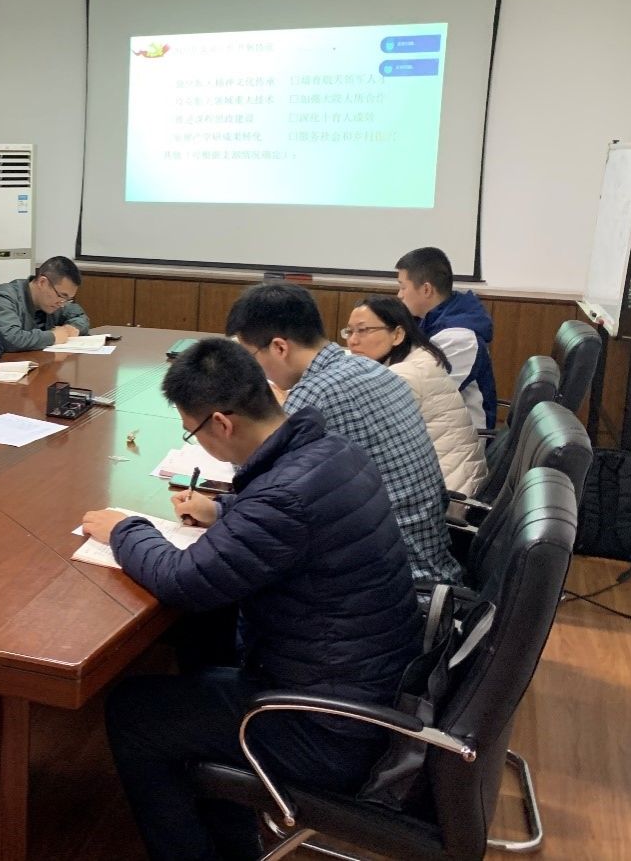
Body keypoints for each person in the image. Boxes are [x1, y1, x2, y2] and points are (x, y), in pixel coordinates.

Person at [81, 338, 420, 861]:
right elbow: (293, 521)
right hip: (369, 685)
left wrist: (126, 529)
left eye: (192, 431)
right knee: (204, 636)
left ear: (221, 423)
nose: (197, 443)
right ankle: (230, 828)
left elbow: (184, 580)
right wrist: (225, 513)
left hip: (330, 728)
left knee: (134, 712)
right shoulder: (334, 452)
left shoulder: (283, 499)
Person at [225, 283, 462, 585]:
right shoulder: (369, 368)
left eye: (250, 357)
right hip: (429, 561)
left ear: (280, 348)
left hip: (395, 582)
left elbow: (256, 492)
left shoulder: (315, 394)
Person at [344, 296, 488, 495]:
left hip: (448, 493)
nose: (353, 341)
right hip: (453, 478)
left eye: (363, 330)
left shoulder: (403, 376)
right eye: (349, 331)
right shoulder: (420, 355)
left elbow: (358, 440)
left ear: (397, 334)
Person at [395, 246, 498, 430]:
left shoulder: (460, 338)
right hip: (438, 426)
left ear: (426, 289)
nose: (399, 295)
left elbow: (420, 393)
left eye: (403, 287)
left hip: (461, 438)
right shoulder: (430, 319)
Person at [0, 256, 92, 351]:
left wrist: (72, 327)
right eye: (62, 295)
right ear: (42, 282)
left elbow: (80, 317)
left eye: (68, 299)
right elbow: (10, 338)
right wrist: (52, 337)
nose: (62, 304)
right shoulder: (6, 296)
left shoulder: (58, 301)